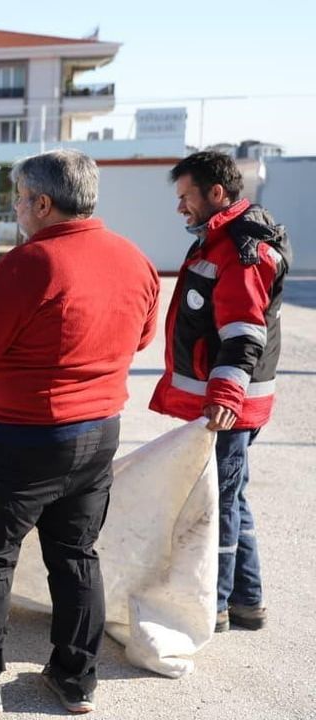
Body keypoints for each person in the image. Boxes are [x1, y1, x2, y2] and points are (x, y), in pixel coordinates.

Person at [0, 150, 160, 717]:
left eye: (19, 198)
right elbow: (143, 339)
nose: (16, 208)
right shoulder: (135, 260)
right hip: (99, 431)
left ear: (42, 203)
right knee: (77, 554)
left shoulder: (28, 265)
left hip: (21, 436)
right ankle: (75, 678)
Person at [150, 151, 290, 634]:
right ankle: (249, 602)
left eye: (186, 196)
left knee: (219, 503)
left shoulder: (239, 248)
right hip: (235, 401)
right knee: (233, 496)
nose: (180, 207)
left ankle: (216, 606)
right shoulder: (224, 238)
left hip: (230, 405)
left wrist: (225, 398)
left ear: (216, 193)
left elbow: (243, 332)